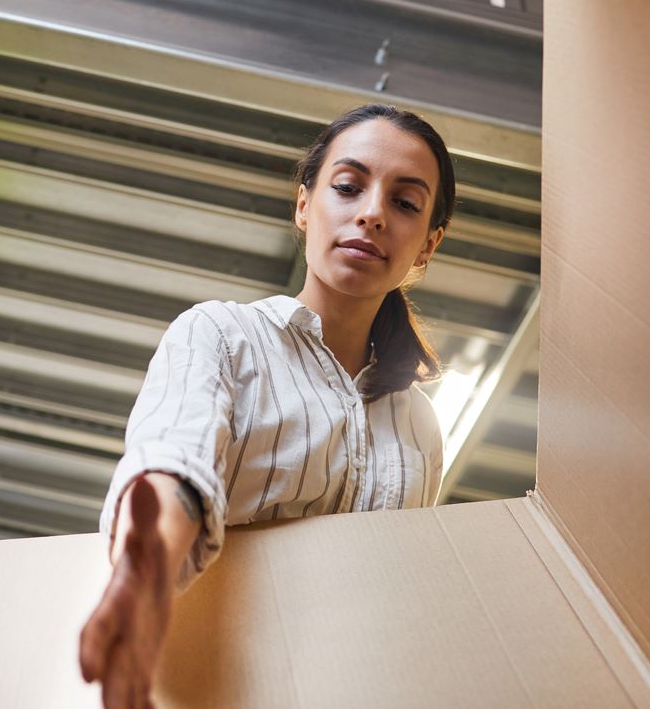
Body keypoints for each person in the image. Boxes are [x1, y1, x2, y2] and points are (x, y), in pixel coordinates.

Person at [78, 103, 456, 708]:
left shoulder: (420, 428)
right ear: (305, 205)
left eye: (405, 203)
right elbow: (175, 462)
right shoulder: (222, 335)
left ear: (427, 245)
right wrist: (146, 568)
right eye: (348, 187)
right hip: (217, 686)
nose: (371, 214)